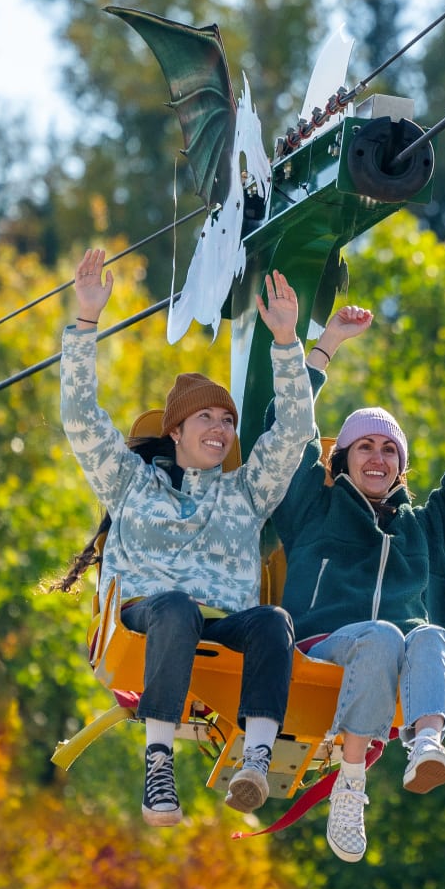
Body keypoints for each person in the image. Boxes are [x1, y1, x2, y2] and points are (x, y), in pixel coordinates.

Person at [269, 306, 445, 861]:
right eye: (366, 447)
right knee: (381, 635)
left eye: (389, 449)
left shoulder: (430, 531)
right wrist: (323, 348)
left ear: (401, 468)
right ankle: (350, 786)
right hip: (321, 653)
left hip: (401, 670)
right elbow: (289, 434)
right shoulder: (311, 511)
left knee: (428, 635)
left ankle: (425, 741)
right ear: (342, 459)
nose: (378, 457)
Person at [60, 248, 314, 827]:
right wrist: (85, 322)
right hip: (149, 615)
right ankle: (159, 763)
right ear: (176, 431)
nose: (222, 429)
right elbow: (80, 416)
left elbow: (295, 431)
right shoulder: (130, 483)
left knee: (274, 622)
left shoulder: (244, 493)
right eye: (207, 419)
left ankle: (255, 758)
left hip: (223, 622)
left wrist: (286, 344)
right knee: (176, 608)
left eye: (227, 421)